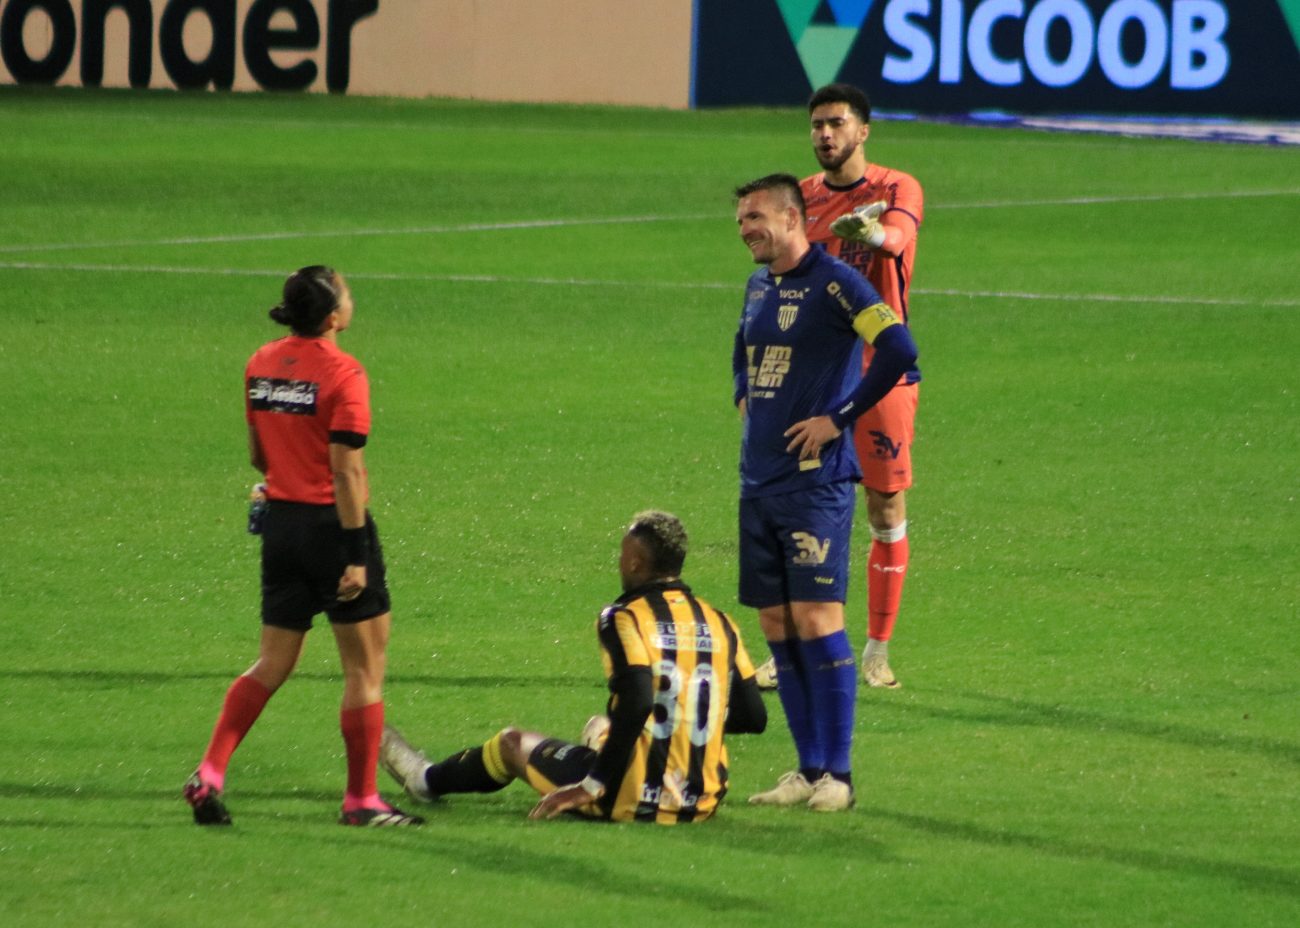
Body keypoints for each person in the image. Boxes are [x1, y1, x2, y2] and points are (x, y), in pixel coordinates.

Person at [183, 265, 422, 828]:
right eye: (346, 290)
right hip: (331, 529)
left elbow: (258, 456)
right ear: (334, 315)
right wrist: (356, 554)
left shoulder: (261, 361)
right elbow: (345, 473)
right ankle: (362, 800)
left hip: (281, 525)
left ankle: (210, 772)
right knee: (365, 670)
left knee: (272, 662)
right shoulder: (345, 374)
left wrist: (288, 474)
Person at [378, 510, 767, 824]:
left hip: (625, 795)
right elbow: (753, 715)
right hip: (701, 802)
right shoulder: (721, 623)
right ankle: (613, 755)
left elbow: (637, 701)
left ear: (634, 561)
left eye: (622, 552)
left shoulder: (624, 617)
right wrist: (682, 719)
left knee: (512, 743)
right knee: (601, 728)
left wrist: (593, 784)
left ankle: (425, 780)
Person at [732, 174, 918, 811]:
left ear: (791, 217)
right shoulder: (758, 285)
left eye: (755, 217)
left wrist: (838, 417)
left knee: (817, 621)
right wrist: (743, 392)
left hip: (817, 486)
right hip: (757, 482)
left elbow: (898, 348)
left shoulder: (838, 282)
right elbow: (743, 347)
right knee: (777, 623)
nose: (745, 229)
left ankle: (838, 775)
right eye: (740, 221)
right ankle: (806, 769)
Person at [754, 83, 924, 691]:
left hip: (883, 371)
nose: (825, 134)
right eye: (817, 125)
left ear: (863, 131)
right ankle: (791, 645)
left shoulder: (896, 188)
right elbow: (778, 276)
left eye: (837, 124)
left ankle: (877, 650)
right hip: (818, 374)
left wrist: (870, 234)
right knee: (795, 505)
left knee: (884, 506)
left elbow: (898, 240)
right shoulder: (801, 197)